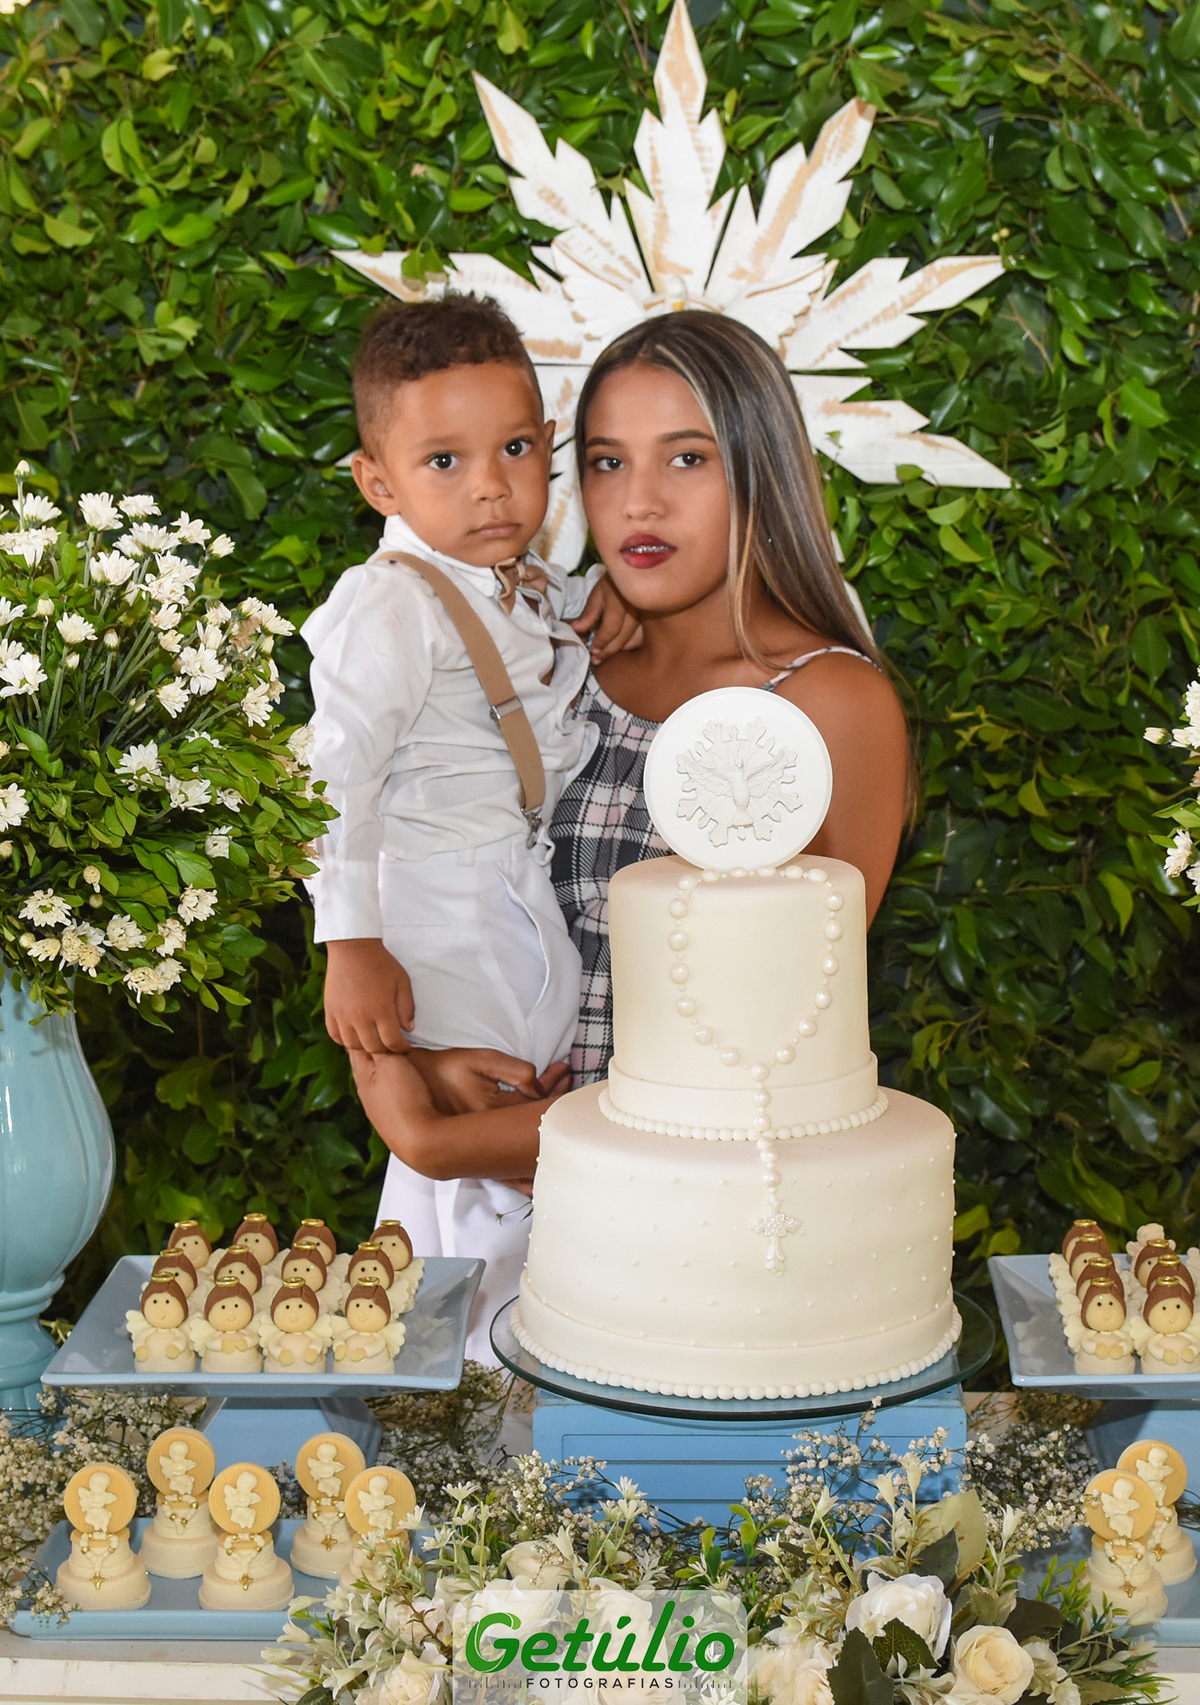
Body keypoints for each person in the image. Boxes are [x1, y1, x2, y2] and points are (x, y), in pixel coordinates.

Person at [350, 311, 909, 1315]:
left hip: (692, 1242)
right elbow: (441, 876)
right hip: (484, 1212)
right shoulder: (559, 666)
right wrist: (434, 1060)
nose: (640, 501)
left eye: (687, 457)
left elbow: (756, 1063)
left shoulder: (825, 707)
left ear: (762, 469)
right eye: (607, 462)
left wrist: (438, 1136)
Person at [303, 293, 636, 1358]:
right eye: (444, 461)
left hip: (509, 893)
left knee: (516, 1119)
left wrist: (599, 602)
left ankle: (507, 1353)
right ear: (378, 483)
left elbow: (536, 642)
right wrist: (351, 942)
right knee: (492, 1151)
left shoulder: (511, 580)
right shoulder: (390, 603)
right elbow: (333, 776)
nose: (492, 485)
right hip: (436, 903)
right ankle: (484, 1372)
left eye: (516, 449)